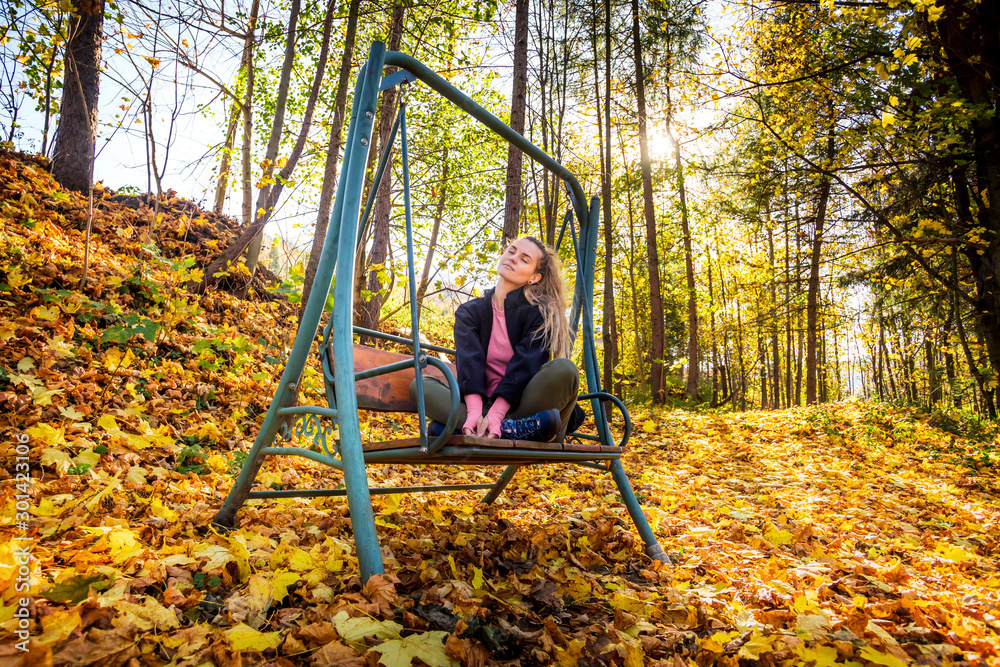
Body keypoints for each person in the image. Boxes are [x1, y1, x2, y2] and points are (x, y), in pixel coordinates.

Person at [410, 236, 580, 442]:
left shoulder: (541, 314)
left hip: (521, 405)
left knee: (565, 370)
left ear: (534, 277)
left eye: (524, 259)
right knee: (420, 386)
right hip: (479, 407)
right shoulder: (469, 313)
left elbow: (524, 368)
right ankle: (513, 429)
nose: (514, 258)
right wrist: (474, 412)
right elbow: (469, 363)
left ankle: (465, 428)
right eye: (512, 251)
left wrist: (497, 414)